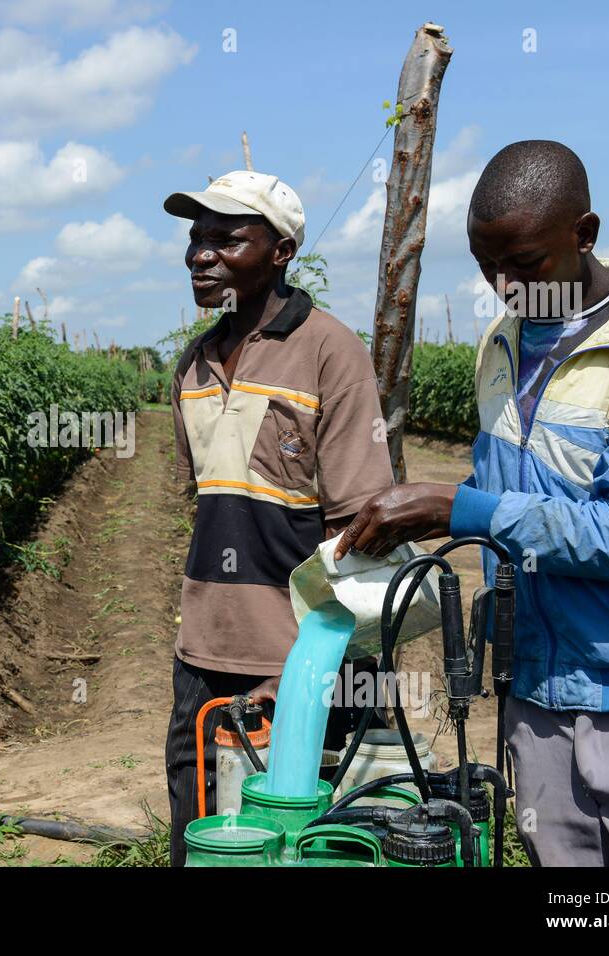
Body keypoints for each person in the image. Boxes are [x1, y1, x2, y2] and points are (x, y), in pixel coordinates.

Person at [336, 140, 609, 866]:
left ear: (585, 233)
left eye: (525, 264)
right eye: (488, 267)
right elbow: (514, 507)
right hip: (539, 701)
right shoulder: (505, 342)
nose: (506, 286)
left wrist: (462, 509)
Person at [162, 171, 395, 865]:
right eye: (196, 238)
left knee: (312, 840)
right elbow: (207, 508)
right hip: (204, 654)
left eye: (227, 238)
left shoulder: (331, 351)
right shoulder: (192, 363)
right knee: (202, 834)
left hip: (308, 661)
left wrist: (306, 666)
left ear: (281, 251)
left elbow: (362, 530)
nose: (202, 254)